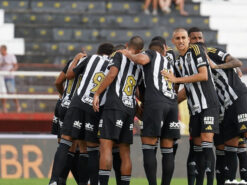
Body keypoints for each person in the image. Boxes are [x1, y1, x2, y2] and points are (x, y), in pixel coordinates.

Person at [188, 27, 247, 185]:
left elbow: (237, 62)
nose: (198, 40)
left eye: (200, 37)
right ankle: (233, 181)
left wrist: (217, 66)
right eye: (194, 38)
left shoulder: (213, 52)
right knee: (230, 146)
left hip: (239, 98)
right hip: (225, 108)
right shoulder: (192, 63)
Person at [49, 43, 114, 185]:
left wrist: (77, 58)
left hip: (73, 103)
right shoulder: (114, 64)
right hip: (95, 107)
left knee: (65, 143)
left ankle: (55, 181)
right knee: (89, 149)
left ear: (97, 51)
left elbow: (66, 76)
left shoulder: (87, 59)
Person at [161, 28, 220, 185]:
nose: (181, 41)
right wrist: (170, 101)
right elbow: (182, 87)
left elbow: (203, 75)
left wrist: (176, 80)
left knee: (207, 143)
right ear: (173, 41)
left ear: (188, 40)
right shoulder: (178, 61)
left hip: (208, 104)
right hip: (194, 108)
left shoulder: (196, 49)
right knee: (197, 148)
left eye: (183, 38)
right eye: (177, 38)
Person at [119, 39, 180, 185]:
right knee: (167, 150)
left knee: (148, 146)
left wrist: (129, 54)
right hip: (172, 105)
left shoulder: (151, 54)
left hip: (156, 104)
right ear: (165, 49)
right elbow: (177, 85)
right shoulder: (169, 62)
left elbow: (141, 59)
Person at [93, 36, 144, 185]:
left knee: (106, 146)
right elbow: (138, 92)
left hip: (115, 105)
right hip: (130, 108)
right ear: (140, 50)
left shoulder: (118, 55)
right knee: (125, 151)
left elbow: (112, 74)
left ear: (127, 45)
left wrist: (97, 93)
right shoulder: (139, 65)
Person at [0, 45, 21, 113]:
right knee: (3, 93)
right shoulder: (0, 57)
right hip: (1, 78)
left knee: (12, 92)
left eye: (1, 50)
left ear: (4, 50)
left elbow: (16, 66)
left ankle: (17, 107)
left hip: (9, 77)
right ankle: (4, 108)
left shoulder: (11, 56)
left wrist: (12, 70)